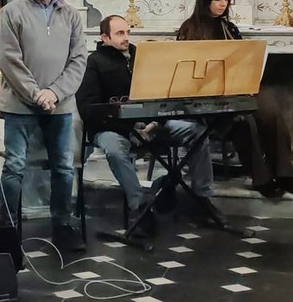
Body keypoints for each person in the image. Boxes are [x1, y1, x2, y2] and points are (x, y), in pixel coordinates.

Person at [76, 15, 215, 236]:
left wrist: (155, 123)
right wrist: (130, 129)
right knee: (114, 149)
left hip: (150, 125)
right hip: (112, 129)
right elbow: (88, 108)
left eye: (128, 32)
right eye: (120, 33)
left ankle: (201, 199)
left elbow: (160, 94)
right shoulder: (93, 62)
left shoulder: (140, 56)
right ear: (104, 37)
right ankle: (140, 207)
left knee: (197, 133)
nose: (126, 38)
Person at [177, 0, 293, 198]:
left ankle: (286, 175)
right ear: (206, 0)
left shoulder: (228, 27)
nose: (223, 3)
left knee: (270, 110)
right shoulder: (190, 29)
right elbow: (186, 71)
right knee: (243, 120)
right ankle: (262, 179)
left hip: (236, 89)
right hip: (208, 97)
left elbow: (242, 58)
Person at [0, 0, 88, 251]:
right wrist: (36, 93)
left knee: (63, 167)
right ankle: (7, 230)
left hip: (59, 106)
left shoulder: (71, 16)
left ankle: (62, 225)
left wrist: (54, 93)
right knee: (14, 166)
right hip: (20, 105)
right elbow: (8, 59)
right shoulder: (11, 13)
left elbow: (78, 61)